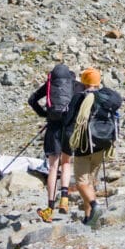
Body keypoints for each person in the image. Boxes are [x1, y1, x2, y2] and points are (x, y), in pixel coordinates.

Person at [65, 67, 122, 228]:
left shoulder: (79, 98)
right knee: (90, 181)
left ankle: (94, 205)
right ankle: (89, 217)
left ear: (83, 82)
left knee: (82, 182)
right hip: (102, 144)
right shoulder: (106, 97)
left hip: (84, 146)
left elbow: (68, 121)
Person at [28, 63, 83, 222]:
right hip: (69, 128)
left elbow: (32, 100)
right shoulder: (75, 85)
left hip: (53, 128)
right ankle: (64, 199)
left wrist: (44, 114)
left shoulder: (49, 85)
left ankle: (50, 208)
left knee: (53, 167)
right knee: (66, 163)